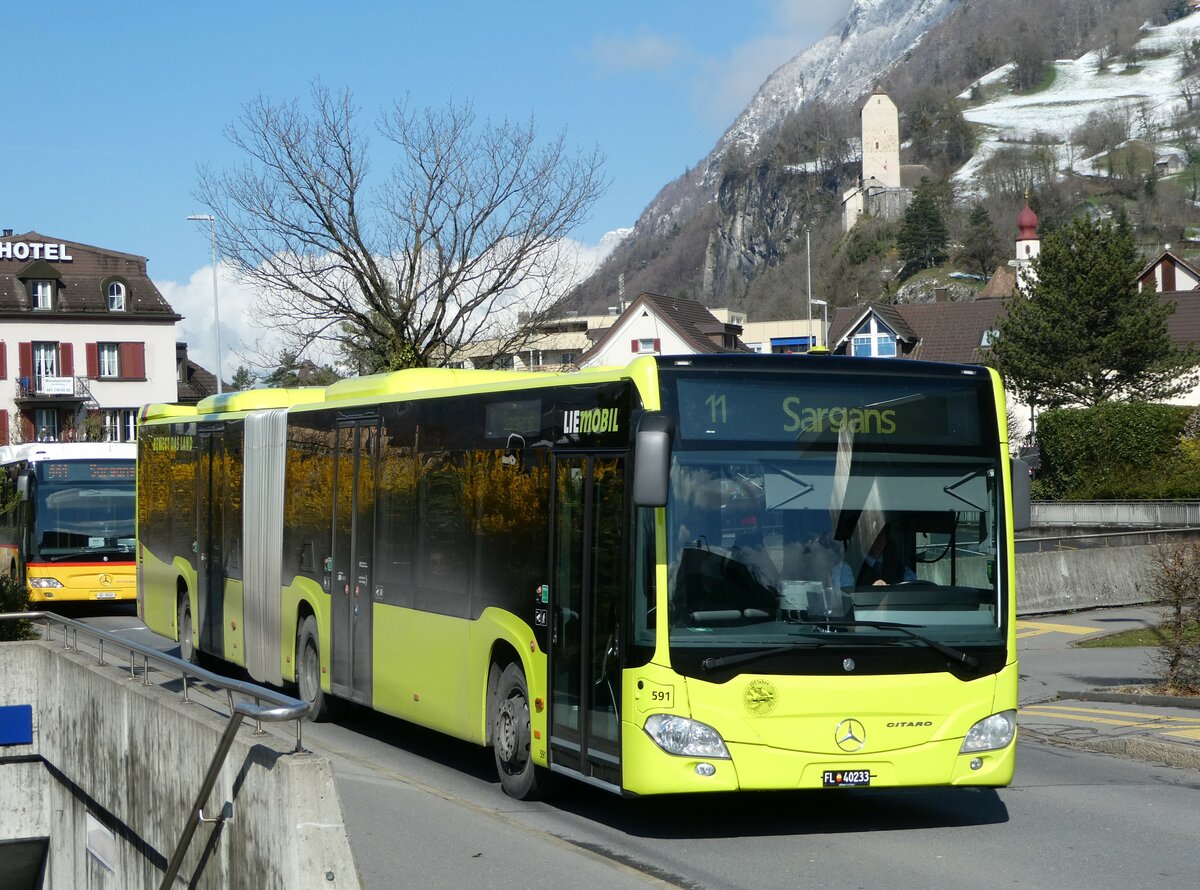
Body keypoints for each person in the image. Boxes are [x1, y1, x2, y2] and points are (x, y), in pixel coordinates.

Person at [835, 528, 917, 590]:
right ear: (862, 538)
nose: (876, 539)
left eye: (880, 535)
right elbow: (846, 599)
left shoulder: (901, 568)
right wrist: (872, 592)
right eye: (871, 535)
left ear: (886, 538)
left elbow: (913, 591)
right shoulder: (846, 568)